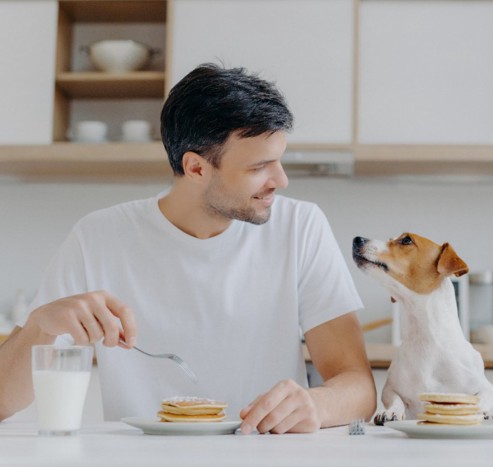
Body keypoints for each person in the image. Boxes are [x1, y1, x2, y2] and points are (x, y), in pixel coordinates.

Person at [0, 64, 376, 434]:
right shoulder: (97, 238)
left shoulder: (301, 227)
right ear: (196, 168)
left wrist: (316, 404)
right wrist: (38, 328)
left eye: (279, 161)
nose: (281, 180)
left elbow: (358, 386)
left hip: (263, 454)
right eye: (260, 167)